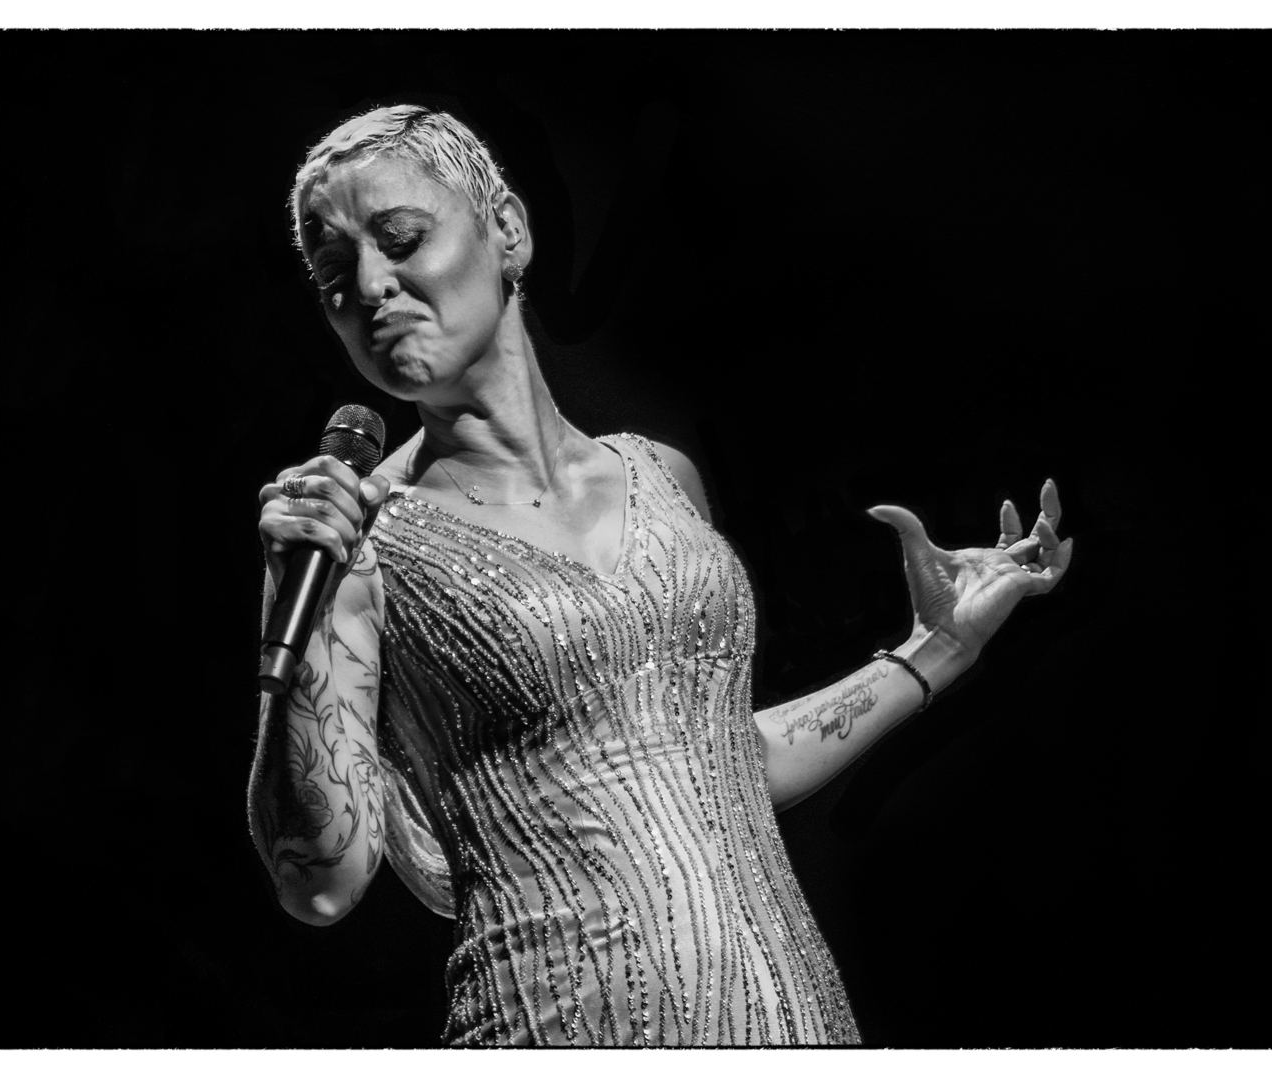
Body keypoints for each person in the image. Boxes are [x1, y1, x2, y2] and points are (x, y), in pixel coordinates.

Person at [246, 104, 1073, 1047]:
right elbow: (320, 880)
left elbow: (718, 764)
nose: (369, 285)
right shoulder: (356, 544)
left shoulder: (660, 476)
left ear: (507, 229)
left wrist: (941, 646)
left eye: (400, 240)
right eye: (333, 277)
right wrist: (300, 607)